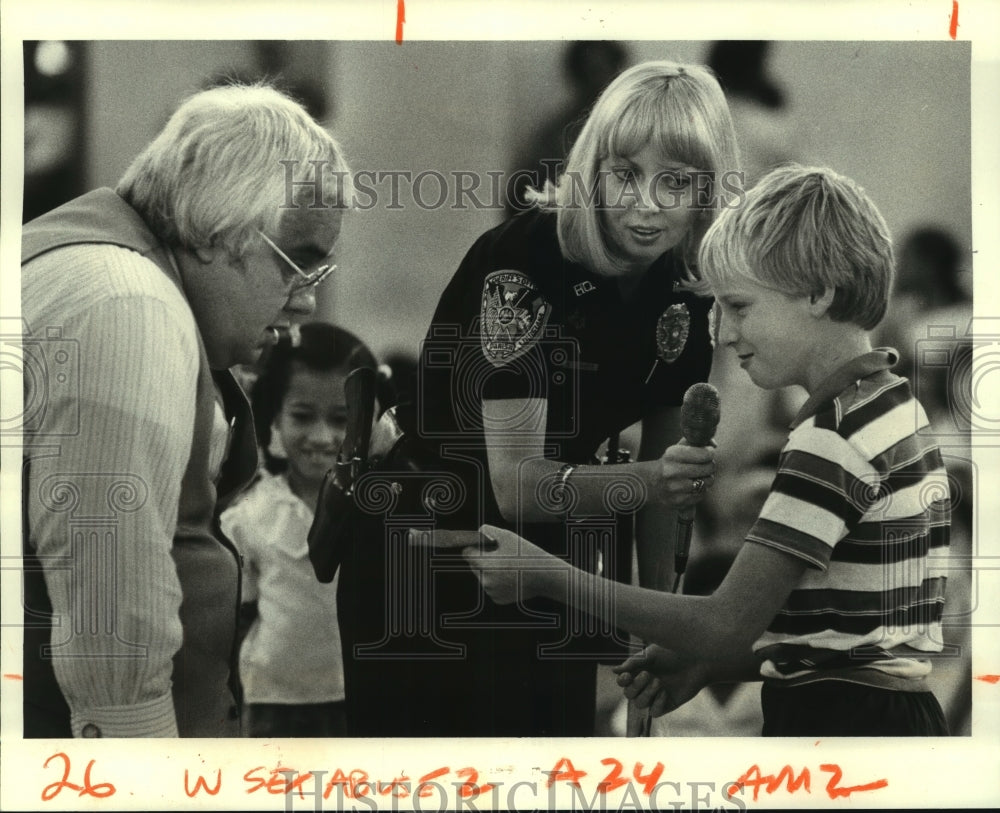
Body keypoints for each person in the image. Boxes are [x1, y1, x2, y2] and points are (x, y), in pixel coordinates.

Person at [456, 164, 952, 737]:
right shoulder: (892, 404)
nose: (725, 333)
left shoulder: (831, 434)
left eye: (740, 307)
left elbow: (724, 623)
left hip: (844, 730)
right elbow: (857, 644)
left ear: (818, 294)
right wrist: (709, 665)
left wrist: (547, 576)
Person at [335, 60, 739, 737]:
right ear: (592, 170)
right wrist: (651, 480)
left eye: (675, 182)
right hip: (428, 555)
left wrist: (656, 625)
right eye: (625, 174)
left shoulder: (686, 285)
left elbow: (668, 489)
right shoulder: (525, 261)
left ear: (707, 189)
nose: (646, 204)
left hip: (550, 567)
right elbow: (519, 484)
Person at [20, 83, 349, 737]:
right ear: (216, 229)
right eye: (297, 267)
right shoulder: (128, 306)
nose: (306, 303)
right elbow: (112, 631)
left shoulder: (105, 271)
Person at [221, 323, 380, 738]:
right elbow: (238, 618)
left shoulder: (379, 511)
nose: (322, 437)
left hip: (358, 695)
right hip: (273, 701)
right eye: (303, 416)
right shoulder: (250, 514)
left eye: (341, 419)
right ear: (274, 414)